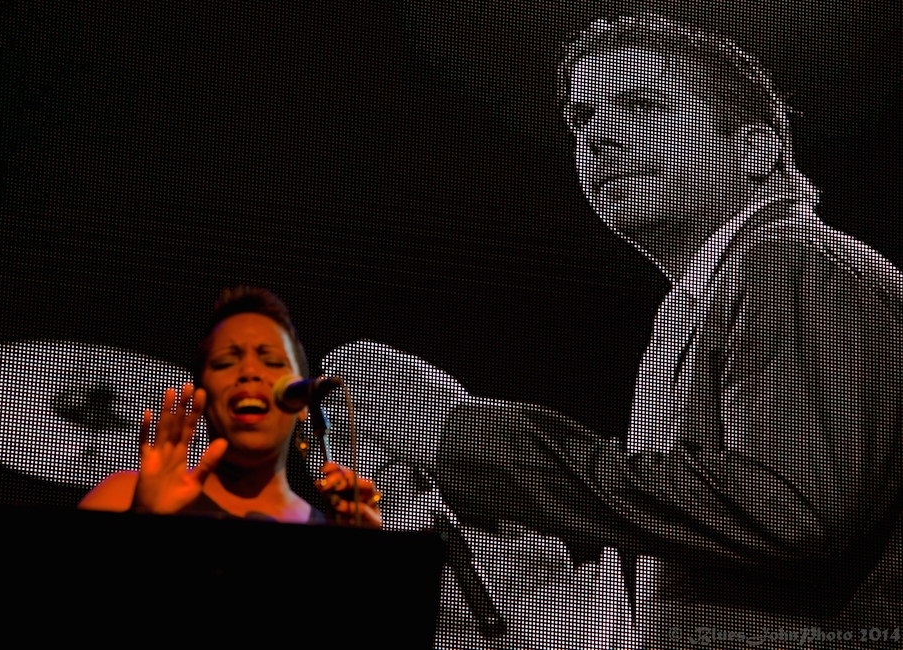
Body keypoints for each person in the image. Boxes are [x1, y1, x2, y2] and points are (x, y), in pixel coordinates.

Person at [326, 13, 903, 648]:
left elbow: (789, 512)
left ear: (753, 149)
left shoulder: (794, 262)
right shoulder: (716, 288)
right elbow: (694, 551)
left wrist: (455, 431)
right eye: (583, 121)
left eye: (639, 107)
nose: (600, 137)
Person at [80, 286, 381, 528]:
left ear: (303, 403)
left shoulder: (333, 527)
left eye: (273, 362)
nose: (249, 371)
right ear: (203, 395)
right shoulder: (122, 496)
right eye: (226, 361)